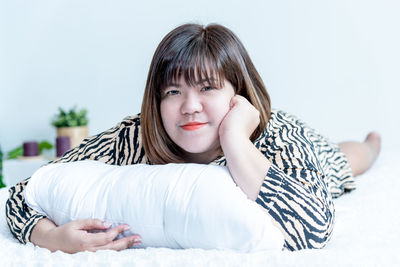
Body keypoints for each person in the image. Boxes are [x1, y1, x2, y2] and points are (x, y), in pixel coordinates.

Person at [5, 23, 381, 253]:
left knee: (345, 160)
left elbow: (313, 226)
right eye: (172, 92)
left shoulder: (278, 135)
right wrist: (50, 238)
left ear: (238, 93)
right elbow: (27, 191)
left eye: (207, 88)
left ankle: (372, 141)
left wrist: (235, 138)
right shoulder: (134, 136)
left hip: (305, 151)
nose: (189, 107)